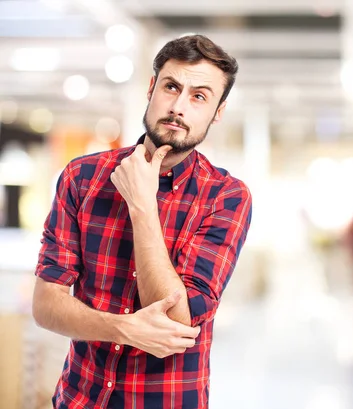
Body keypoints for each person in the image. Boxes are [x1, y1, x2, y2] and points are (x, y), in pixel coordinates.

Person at [31, 34, 252, 409]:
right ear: (151, 88)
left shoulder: (226, 197)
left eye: (199, 96)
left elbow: (179, 317)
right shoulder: (82, 177)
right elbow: (46, 304)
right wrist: (123, 328)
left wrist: (142, 205)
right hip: (78, 399)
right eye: (171, 87)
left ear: (217, 112)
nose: (179, 107)